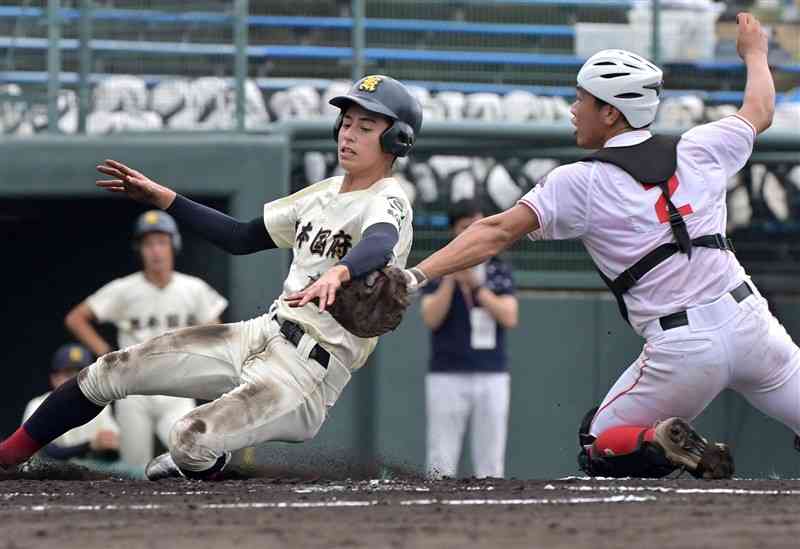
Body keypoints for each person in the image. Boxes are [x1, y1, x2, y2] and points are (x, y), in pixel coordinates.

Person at [402, 14, 787, 479]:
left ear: (610, 113)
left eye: (581, 98)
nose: (572, 108)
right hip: (752, 326)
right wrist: (756, 51)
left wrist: (416, 274)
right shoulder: (700, 146)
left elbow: (495, 232)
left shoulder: (580, 182)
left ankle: (655, 439)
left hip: (683, 348)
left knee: (599, 444)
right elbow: (760, 109)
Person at [0, 74, 422, 481]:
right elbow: (241, 237)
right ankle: (7, 457)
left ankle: (206, 469)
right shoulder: (322, 193)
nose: (348, 134)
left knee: (186, 438)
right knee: (108, 370)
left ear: (395, 140)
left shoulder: (389, 198)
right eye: (346, 123)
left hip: (308, 371)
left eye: (366, 127)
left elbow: (380, 242)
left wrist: (343, 270)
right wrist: (166, 199)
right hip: (263, 333)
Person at [64, 210, 228, 474]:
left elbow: (218, 331)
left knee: (192, 452)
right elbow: (76, 318)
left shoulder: (193, 288)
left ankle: (194, 514)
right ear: (140, 249)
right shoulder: (124, 289)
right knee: (133, 468)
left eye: (161, 242)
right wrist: (105, 352)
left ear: (173, 244)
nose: (155, 251)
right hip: (133, 390)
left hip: (178, 387)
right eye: (148, 244)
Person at [421, 199, 518, 479]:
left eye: (478, 225)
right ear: (453, 231)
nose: (472, 232)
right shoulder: (438, 269)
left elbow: (509, 316)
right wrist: (452, 276)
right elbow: (431, 318)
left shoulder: (497, 269)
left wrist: (477, 288)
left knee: (491, 459)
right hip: (446, 373)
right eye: (465, 227)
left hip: (492, 373)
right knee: (441, 455)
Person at [23, 343, 123, 473]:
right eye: (68, 374)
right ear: (54, 378)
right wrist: (90, 446)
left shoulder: (101, 406)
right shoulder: (37, 404)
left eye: (80, 375)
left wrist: (109, 445)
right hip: (47, 471)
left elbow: (112, 454)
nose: (74, 381)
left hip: (89, 467)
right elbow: (46, 452)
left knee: (135, 471)